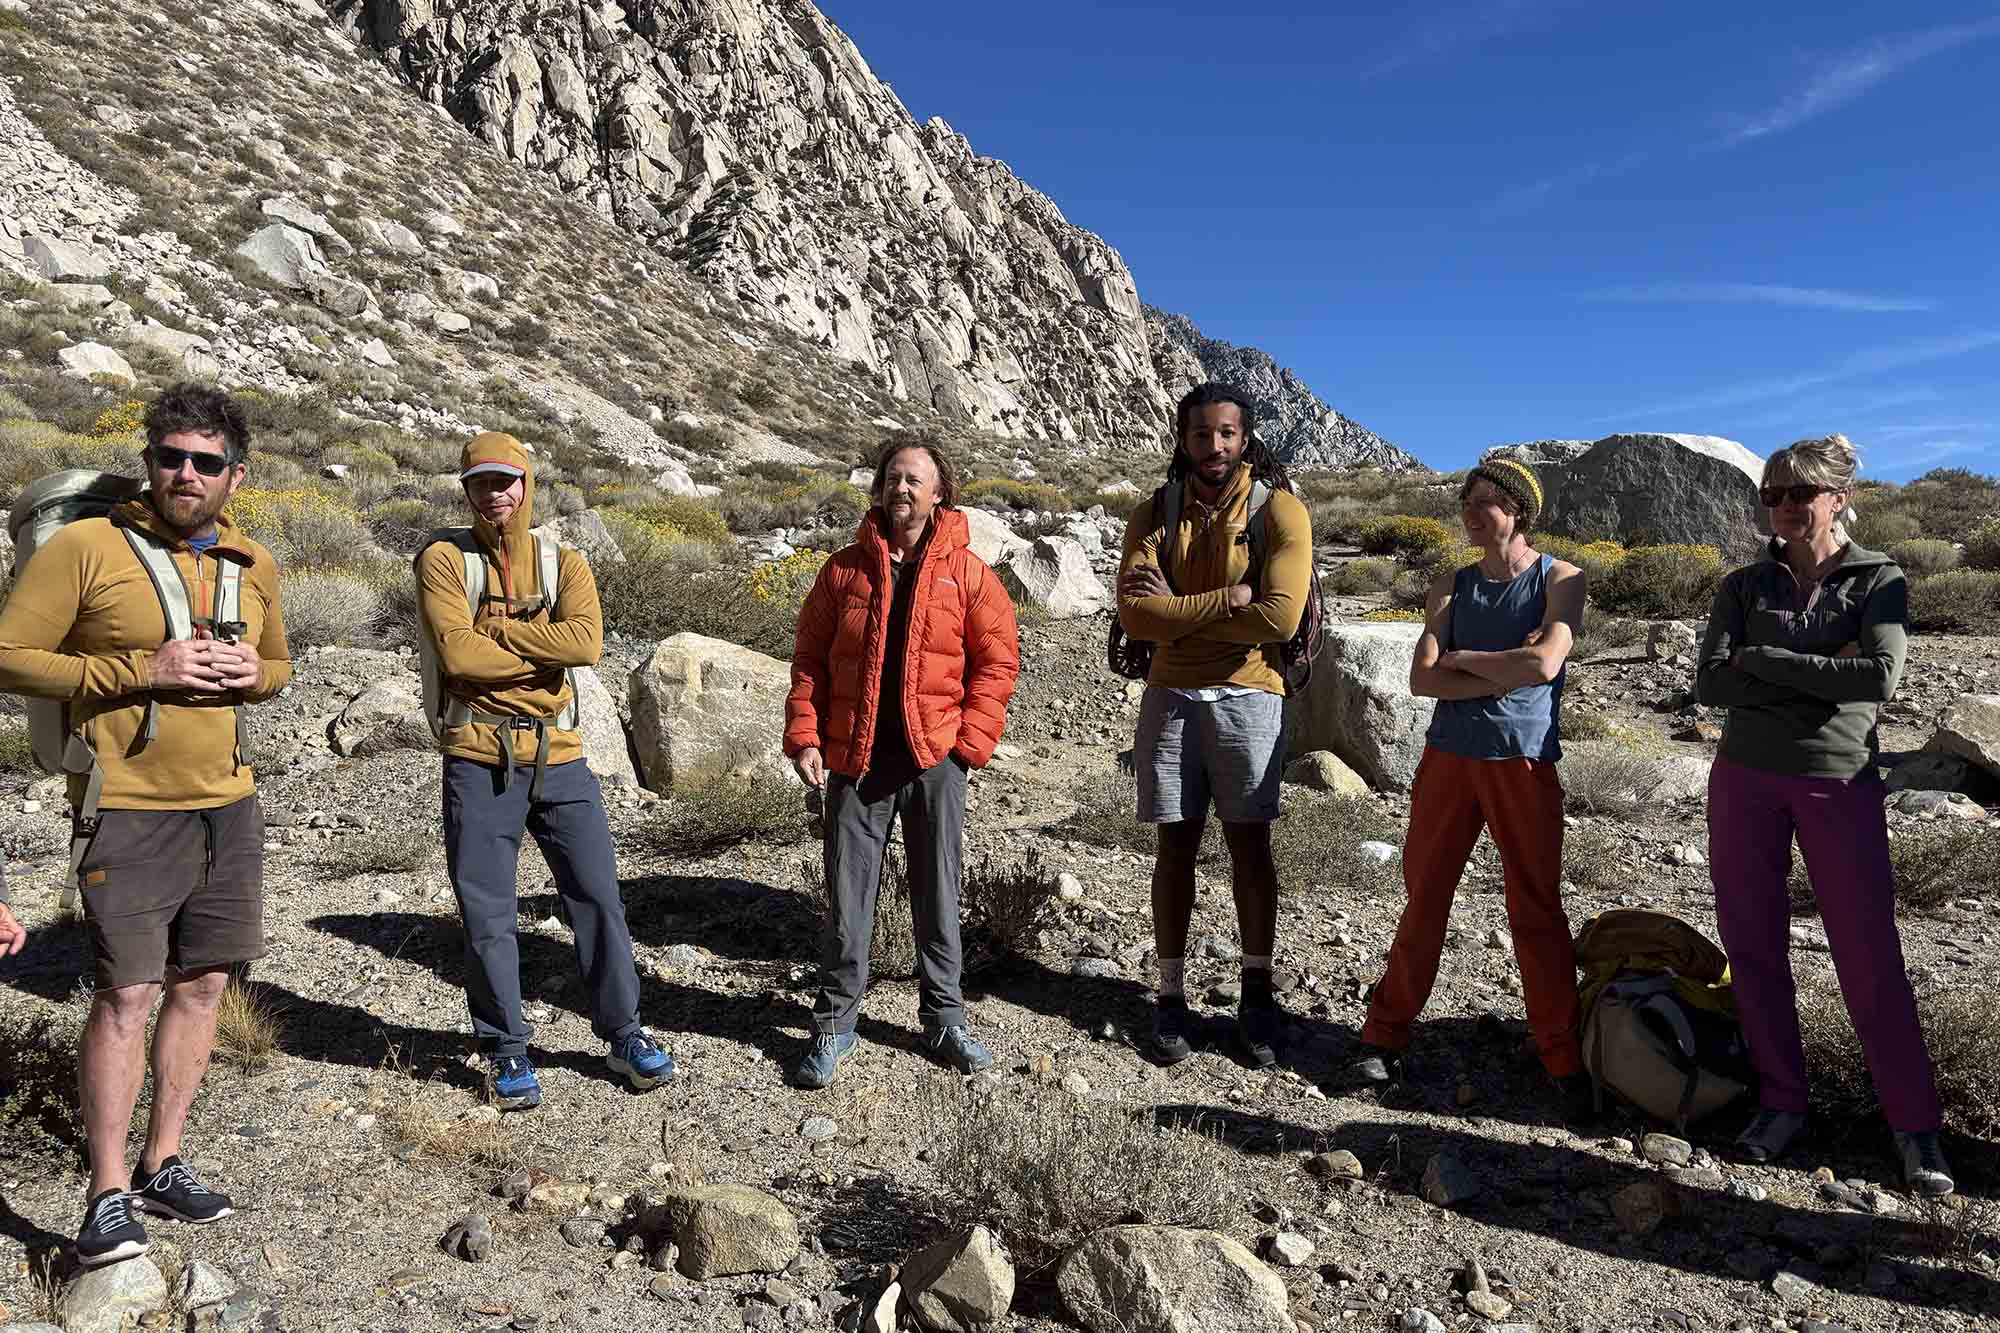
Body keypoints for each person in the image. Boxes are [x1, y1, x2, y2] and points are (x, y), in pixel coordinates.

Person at [0, 384, 291, 1266]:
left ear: (235, 476)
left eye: (206, 461)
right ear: (149, 462)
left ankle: (163, 1161)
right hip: (124, 805)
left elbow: (279, 665)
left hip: (227, 803)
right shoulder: (86, 548)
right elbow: (9, 655)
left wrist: (256, 676)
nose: (186, 474)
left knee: (202, 984)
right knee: (125, 995)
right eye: (171, 457)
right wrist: (142, 668)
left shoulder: (252, 562)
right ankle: (106, 1192)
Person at [1695, 433, 1952, 1196]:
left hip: (1838, 782)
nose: (1781, 507)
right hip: (1743, 779)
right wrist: (1822, 670)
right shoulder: (1743, 585)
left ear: (1839, 497)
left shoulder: (1879, 578)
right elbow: (1711, 684)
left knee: (1868, 952)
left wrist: (1762, 660)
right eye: (1771, 494)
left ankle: (1914, 1124)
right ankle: (1782, 1101)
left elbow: (1878, 677)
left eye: (1798, 493)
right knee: (1753, 943)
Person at [416, 431, 671, 1112]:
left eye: (505, 480)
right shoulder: (444, 559)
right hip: (479, 754)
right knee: (488, 912)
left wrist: (496, 633)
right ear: (466, 490)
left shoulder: (566, 563)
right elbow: (458, 657)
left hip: (559, 756)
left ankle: (623, 1032)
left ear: (526, 485)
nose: (494, 493)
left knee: (599, 897)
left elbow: (585, 643)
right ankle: (505, 1047)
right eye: (480, 482)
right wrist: (537, 650)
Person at [1347, 457, 1591, 1116]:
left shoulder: (1560, 579)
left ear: (1517, 510)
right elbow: (1422, 679)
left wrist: (1464, 658)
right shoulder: (1449, 587)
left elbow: (1545, 663)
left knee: (1535, 907)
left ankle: (1562, 1055)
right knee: (1425, 897)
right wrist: (1502, 668)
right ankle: (1384, 1032)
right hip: (1449, 759)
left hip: (1522, 760)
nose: (1470, 511)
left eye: (1485, 499)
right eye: (1467, 499)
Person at [784, 436, 1020, 1088]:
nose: (902, 488)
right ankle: (835, 1024)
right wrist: (806, 736)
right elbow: (809, 659)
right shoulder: (844, 571)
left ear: (940, 492)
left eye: (915, 479)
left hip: (934, 758)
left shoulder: (967, 573)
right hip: (856, 759)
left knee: (938, 894)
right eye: (893, 477)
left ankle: (944, 1019)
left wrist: (968, 745)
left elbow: (997, 662)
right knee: (847, 898)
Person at [1116, 382, 1313, 1069]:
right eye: (1201, 434)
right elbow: (1135, 616)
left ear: (1245, 437)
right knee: (1174, 847)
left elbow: (1280, 618)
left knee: (1249, 847)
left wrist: (1178, 608)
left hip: (1249, 694)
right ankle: (1170, 995)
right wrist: (1230, 597)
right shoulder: (1155, 512)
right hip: (1170, 696)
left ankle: (1256, 994)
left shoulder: (1278, 509)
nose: (1215, 446)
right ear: (1183, 439)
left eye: (1226, 433)